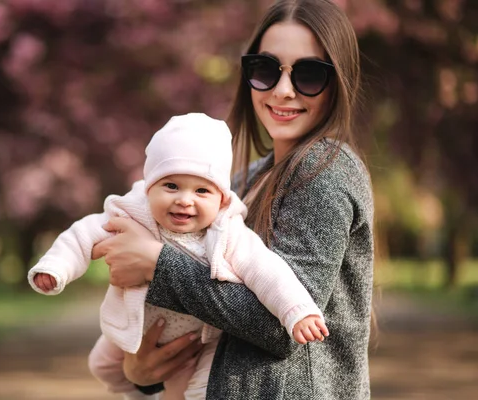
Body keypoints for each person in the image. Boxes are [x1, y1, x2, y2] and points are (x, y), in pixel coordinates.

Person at [91, 0, 375, 399]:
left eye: (309, 74)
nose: (283, 90)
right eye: (266, 69)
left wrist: (155, 264)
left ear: (339, 81)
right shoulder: (242, 181)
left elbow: (286, 326)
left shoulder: (324, 168)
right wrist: (141, 371)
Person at [28, 113, 329, 400]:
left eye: (201, 191)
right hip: (135, 322)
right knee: (101, 365)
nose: (184, 200)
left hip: (198, 339)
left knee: (196, 390)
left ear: (222, 199)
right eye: (171, 186)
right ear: (149, 188)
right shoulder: (133, 214)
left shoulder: (228, 232)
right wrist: (56, 267)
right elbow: (83, 235)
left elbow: (267, 271)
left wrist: (298, 310)